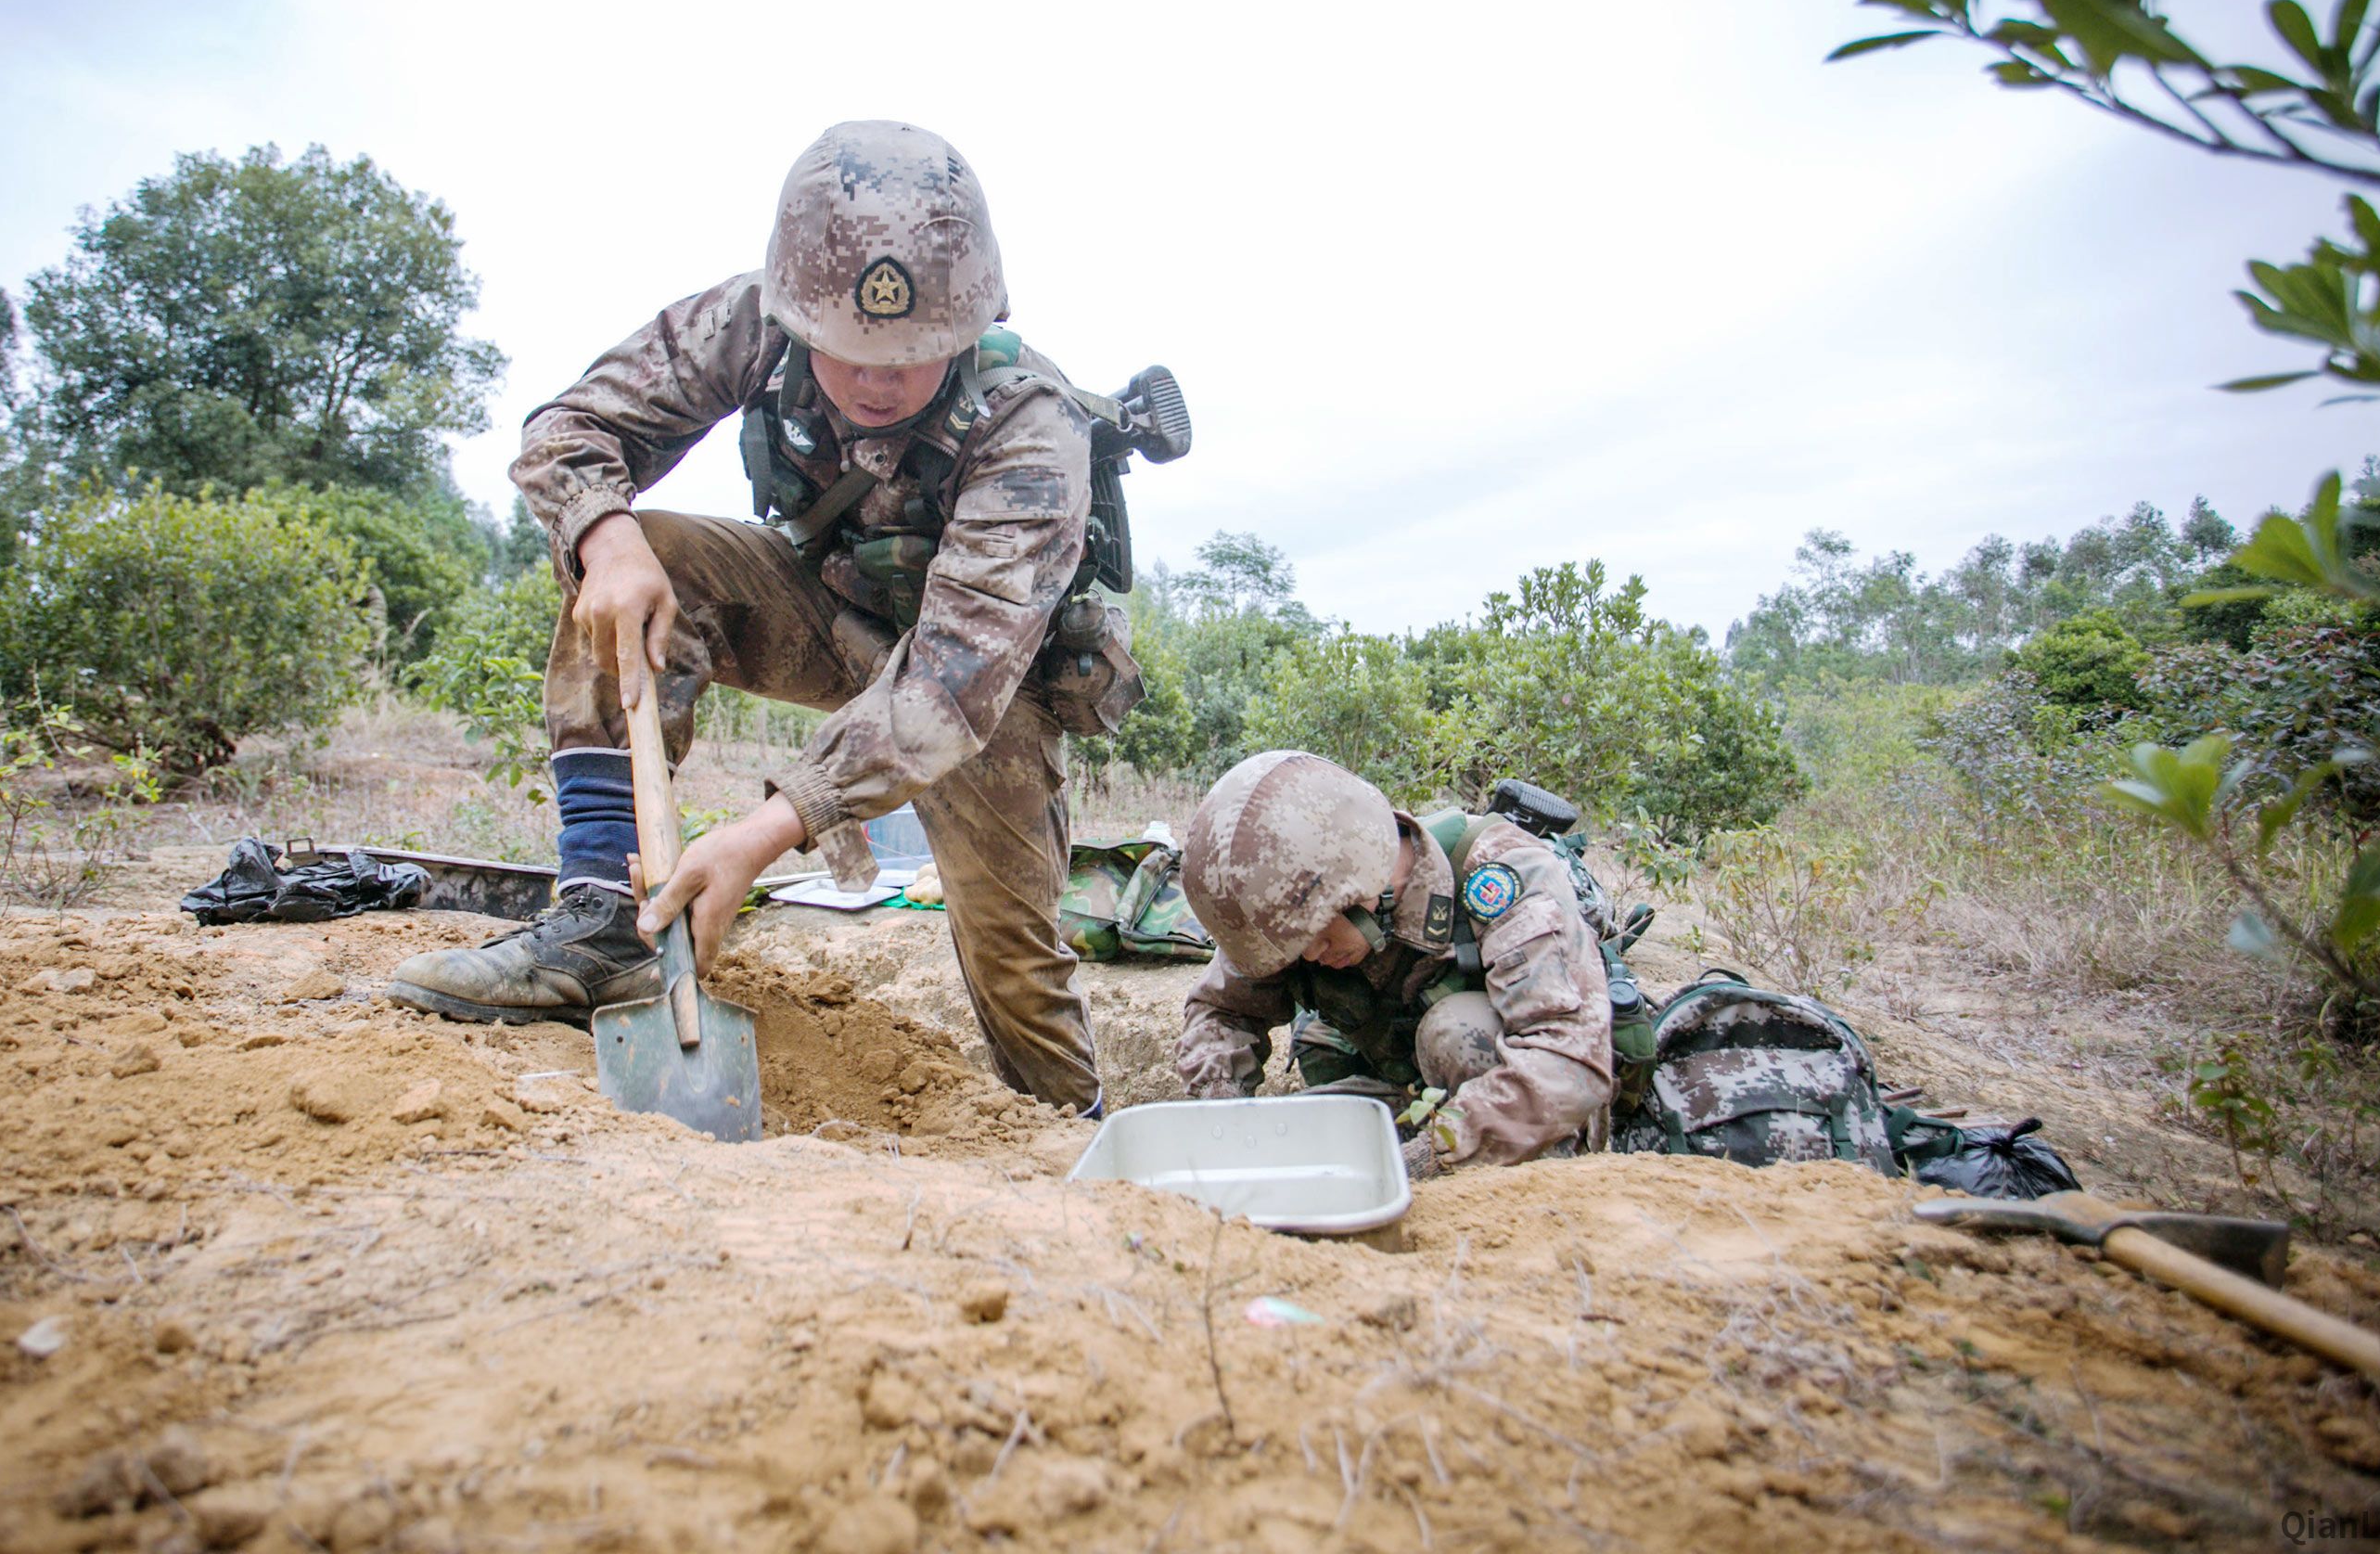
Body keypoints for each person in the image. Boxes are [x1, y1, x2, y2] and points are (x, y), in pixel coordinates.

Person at [387, 121, 1136, 1114]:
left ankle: (1069, 1135)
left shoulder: (1033, 428)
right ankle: (605, 922)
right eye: (846, 352)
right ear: (799, 314)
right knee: (650, 549)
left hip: (974, 694)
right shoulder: (760, 318)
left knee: (1016, 963)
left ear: (971, 323)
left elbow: (950, 683)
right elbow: (569, 429)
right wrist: (605, 535)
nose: (875, 382)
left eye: (910, 356)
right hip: (826, 610)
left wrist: (765, 832)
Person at [1172, 750, 1613, 1177]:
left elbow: (1568, 1063)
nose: (1308, 955)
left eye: (1315, 936)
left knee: (1457, 1032)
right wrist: (1223, 1110)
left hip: (1530, 1114)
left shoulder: (1500, 872)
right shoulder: (1291, 905)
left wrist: (1431, 1156)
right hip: (1410, 1092)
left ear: (1359, 879)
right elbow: (1220, 1010)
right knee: (1301, 1100)